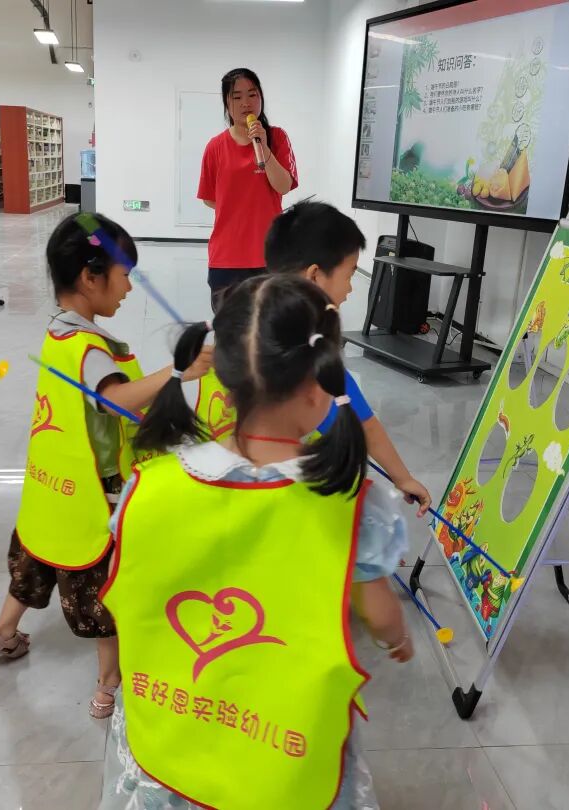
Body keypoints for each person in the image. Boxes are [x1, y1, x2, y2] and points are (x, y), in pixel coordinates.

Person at [99, 274, 413, 809]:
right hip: (283, 737)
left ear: (222, 376)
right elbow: (380, 614)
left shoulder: (147, 486)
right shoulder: (348, 503)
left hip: (174, 728)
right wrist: (394, 640)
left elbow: (130, 585)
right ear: (318, 383)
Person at [0, 213, 212, 720]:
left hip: (50, 488)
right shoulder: (89, 349)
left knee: (35, 560)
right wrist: (177, 373)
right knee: (104, 588)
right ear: (90, 277)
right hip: (91, 492)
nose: (129, 287)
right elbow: (114, 400)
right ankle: (107, 685)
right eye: (125, 275)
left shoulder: (59, 333)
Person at [266, 199, 433, 514]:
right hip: (288, 498)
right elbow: (363, 425)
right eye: (350, 274)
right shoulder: (313, 354)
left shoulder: (249, 326)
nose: (350, 289)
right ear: (315, 276)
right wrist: (403, 477)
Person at [198, 67, 298, 312]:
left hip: (270, 256)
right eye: (237, 96)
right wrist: (240, 209)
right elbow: (210, 198)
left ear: (261, 97)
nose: (246, 103)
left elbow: (283, 186)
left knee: (268, 328)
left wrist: (263, 146)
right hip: (226, 258)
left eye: (252, 94)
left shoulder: (277, 137)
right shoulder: (215, 147)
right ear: (227, 103)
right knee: (230, 328)